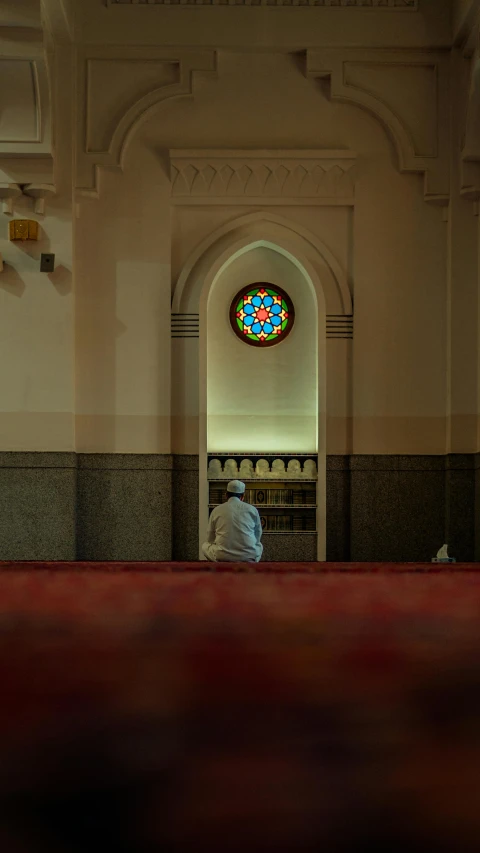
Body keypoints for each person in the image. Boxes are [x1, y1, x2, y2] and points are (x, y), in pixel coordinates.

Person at [202, 480, 263, 563]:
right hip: (248, 555)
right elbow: (257, 536)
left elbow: (210, 538)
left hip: (222, 556)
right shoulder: (252, 509)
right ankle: (251, 560)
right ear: (242, 496)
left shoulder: (216, 510)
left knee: (205, 546)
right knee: (259, 546)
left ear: (226, 495)